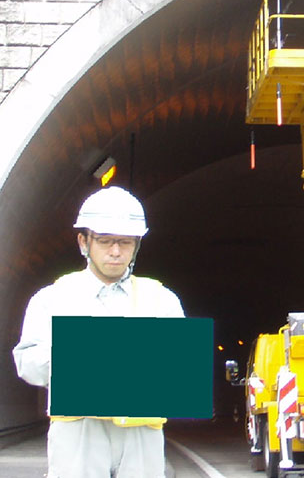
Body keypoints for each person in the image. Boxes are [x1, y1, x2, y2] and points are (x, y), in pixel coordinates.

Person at [12, 186, 185, 478]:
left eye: (126, 242)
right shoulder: (53, 298)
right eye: (105, 241)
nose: (116, 252)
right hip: (79, 432)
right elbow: (27, 364)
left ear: (137, 244)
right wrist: (76, 358)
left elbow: (180, 366)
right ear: (84, 241)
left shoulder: (162, 299)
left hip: (140, 434)